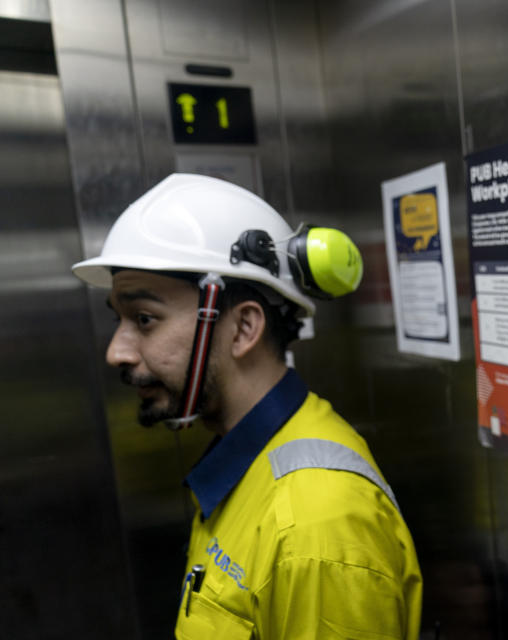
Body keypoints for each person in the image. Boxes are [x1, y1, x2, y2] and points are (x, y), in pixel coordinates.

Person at [72, 174, 422, 638]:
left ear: (242, 330)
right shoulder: (246, 465)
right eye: (120, 319)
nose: (117, 351)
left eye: (144, 319)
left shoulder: (315, 524)